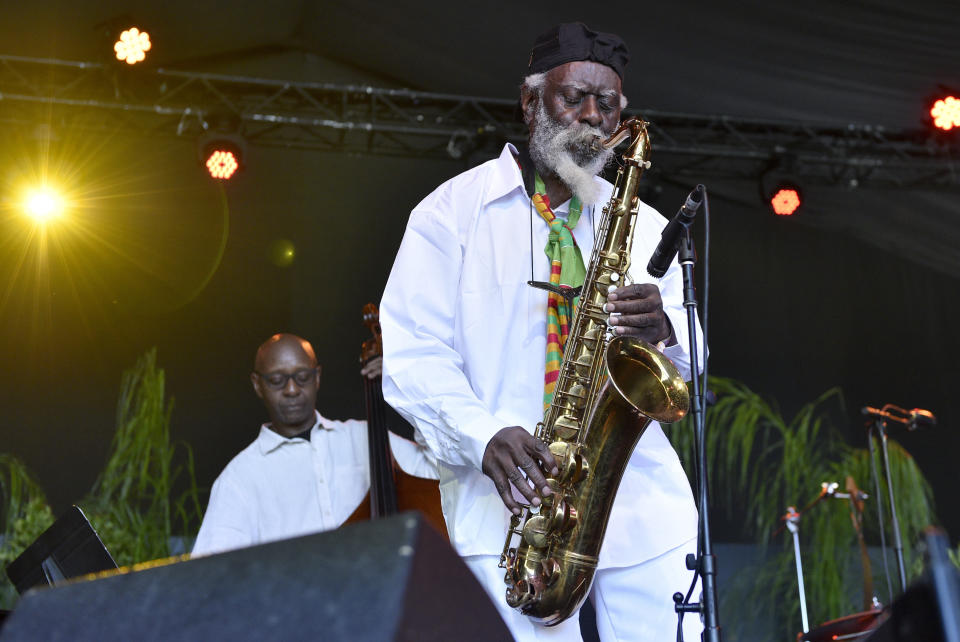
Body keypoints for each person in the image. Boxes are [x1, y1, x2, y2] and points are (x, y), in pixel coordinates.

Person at [380, 22, 704, 641]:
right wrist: (482, 435)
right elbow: (410, 355)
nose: (590, 116)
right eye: (573, 97)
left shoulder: (643, 222)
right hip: (512, 514)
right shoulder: (448, 214)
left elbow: (693, 363)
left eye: (605, 104)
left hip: (645, 511)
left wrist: (666, 327)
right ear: (530, 102)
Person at [191, 333, 435, 556]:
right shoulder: (239, 478)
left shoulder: (362, 436)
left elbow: (439, 470)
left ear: (317, 377)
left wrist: (406, 386)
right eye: (277, 380)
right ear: (257, 384)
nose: (291, 389)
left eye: (302, 377)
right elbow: (213, 569)